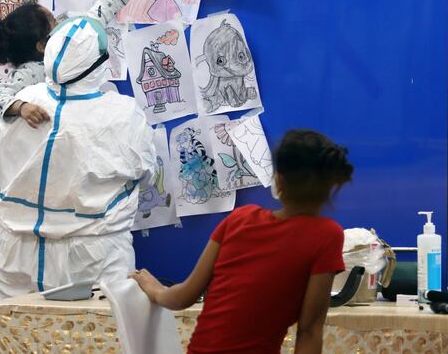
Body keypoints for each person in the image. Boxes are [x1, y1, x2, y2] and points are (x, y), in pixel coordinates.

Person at [0, 0, 144, 329]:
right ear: (42, 45)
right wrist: (20, 108)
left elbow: (91, 20)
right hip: (18, 195)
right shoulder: (22, 81)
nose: (62, 24)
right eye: (54, 22)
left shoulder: (72, 65)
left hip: (65, 215)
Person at [0, 14, 155, 298]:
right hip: (94, 255)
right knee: (96, 338)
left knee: (22, 337)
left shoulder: (19, 104)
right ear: (101, 62)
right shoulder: (125, 114)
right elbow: (147, 174)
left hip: (18, 253)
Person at [130, 130, 353, 354]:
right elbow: (309, 331)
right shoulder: (327, 235)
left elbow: (183, 296)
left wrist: (156, 290)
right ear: (330, 185)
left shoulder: (239, 219)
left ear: (279, 180)